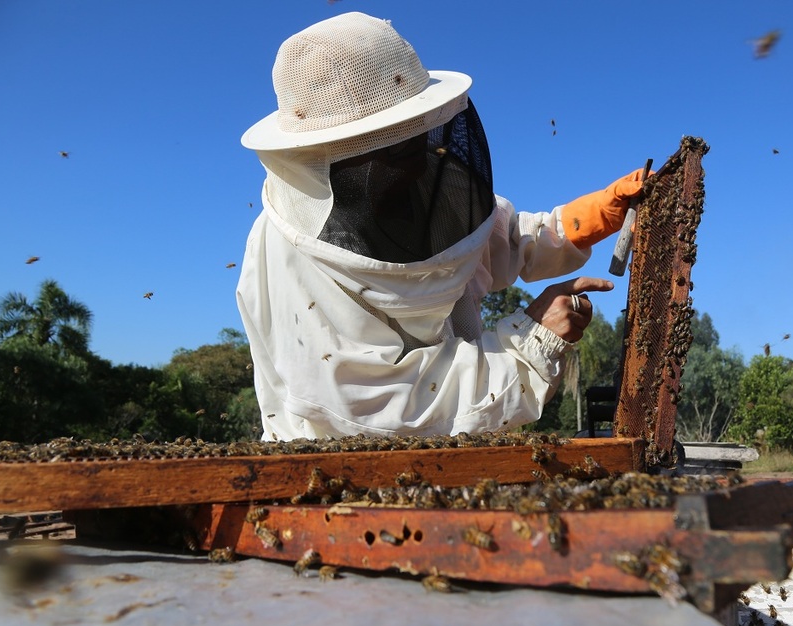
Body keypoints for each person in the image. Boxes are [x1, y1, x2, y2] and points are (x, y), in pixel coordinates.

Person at [236, 12, 648, 441]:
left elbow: (483, 239)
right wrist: (532, 341)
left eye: (420, 134)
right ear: (329, 157)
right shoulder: (288, 264)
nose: (419, 159)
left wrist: (588, 218)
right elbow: (387, 410)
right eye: (395, 147)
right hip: (342, 482)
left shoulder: (415, 180)